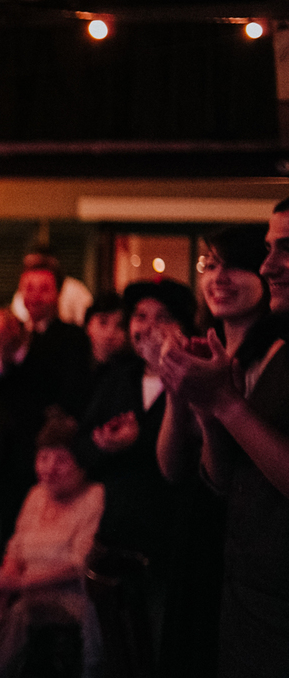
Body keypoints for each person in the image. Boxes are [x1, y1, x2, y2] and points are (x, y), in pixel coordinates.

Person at [158, 203, 289, 678]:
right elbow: (183, 471)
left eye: (235, 263)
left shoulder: (275, 356)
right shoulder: (206, 347)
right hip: (212, 541)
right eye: (210, 264)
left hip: (259, 566)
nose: (220, 276)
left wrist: (222, 404)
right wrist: (181, 397)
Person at [81, 278, 219, 674]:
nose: (149, 327)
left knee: (159, 660)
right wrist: (104, 443)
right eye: (141, 317)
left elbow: (193, 465)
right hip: (112, 545)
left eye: (163, 317)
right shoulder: (117, 379)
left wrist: (139, 442)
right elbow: (82, 447)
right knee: (101, 660)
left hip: (168, 551)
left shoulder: (198, 378)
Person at [0, 253, 94, 543]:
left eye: (43, 288)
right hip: (4, 453)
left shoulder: (72, 337)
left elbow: (66, 390)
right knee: (6, 535)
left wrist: (20, 354)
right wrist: (1, 355)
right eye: (29, 288)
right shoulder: (10, 332)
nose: (35, 296)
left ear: (58, 293)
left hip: (43, 455)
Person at [0, 415, 104, 678]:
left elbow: (78, 564)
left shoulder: (94, 496)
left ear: (81, 464)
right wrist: (5, 581)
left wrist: (19, 584)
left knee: (24, 611)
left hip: (69, 599)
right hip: (25, 587)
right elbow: (16, 547)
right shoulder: (36, 494)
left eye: (61, 460)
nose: (49, 468)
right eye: (43, 458)